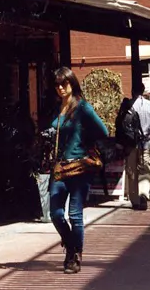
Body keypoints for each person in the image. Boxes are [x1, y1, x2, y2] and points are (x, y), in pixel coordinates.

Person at [48, 67, 108, 275]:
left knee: (75, 215)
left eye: (64, 83)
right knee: (55, 213)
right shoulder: (57, 108)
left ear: (72, 83)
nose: (60, 88)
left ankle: (74, 256)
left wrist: (83, 145)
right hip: (61, 167)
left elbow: (103, 131)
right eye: (57, 85)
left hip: (80, 167)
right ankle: (70, 243)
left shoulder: (83, 108)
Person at [116, 79, 150, 210]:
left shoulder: (128, 106)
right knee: (145, 170)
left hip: (130, 145)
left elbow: (120, 125)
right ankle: (143, 193)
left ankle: (135, 200)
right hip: (145, 143)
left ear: (132, 91)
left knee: (132, 172)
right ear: (143, 91)